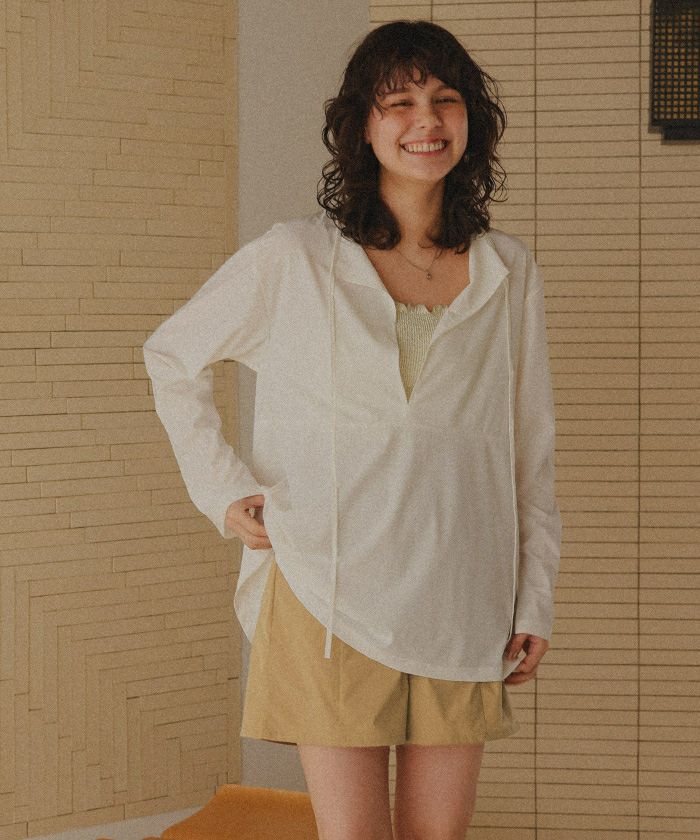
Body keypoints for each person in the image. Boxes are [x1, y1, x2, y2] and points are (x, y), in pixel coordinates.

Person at [142, 19, 562, 840]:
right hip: (328, 588)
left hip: (462, 590)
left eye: (445, 99)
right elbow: (172, 356)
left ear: (471, 120)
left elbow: (529, 449)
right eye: (399, 102)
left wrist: (534, 595)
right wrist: (223, 489)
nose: (425, 120)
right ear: (362, 127)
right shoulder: (295, 259)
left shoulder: (508, 272)